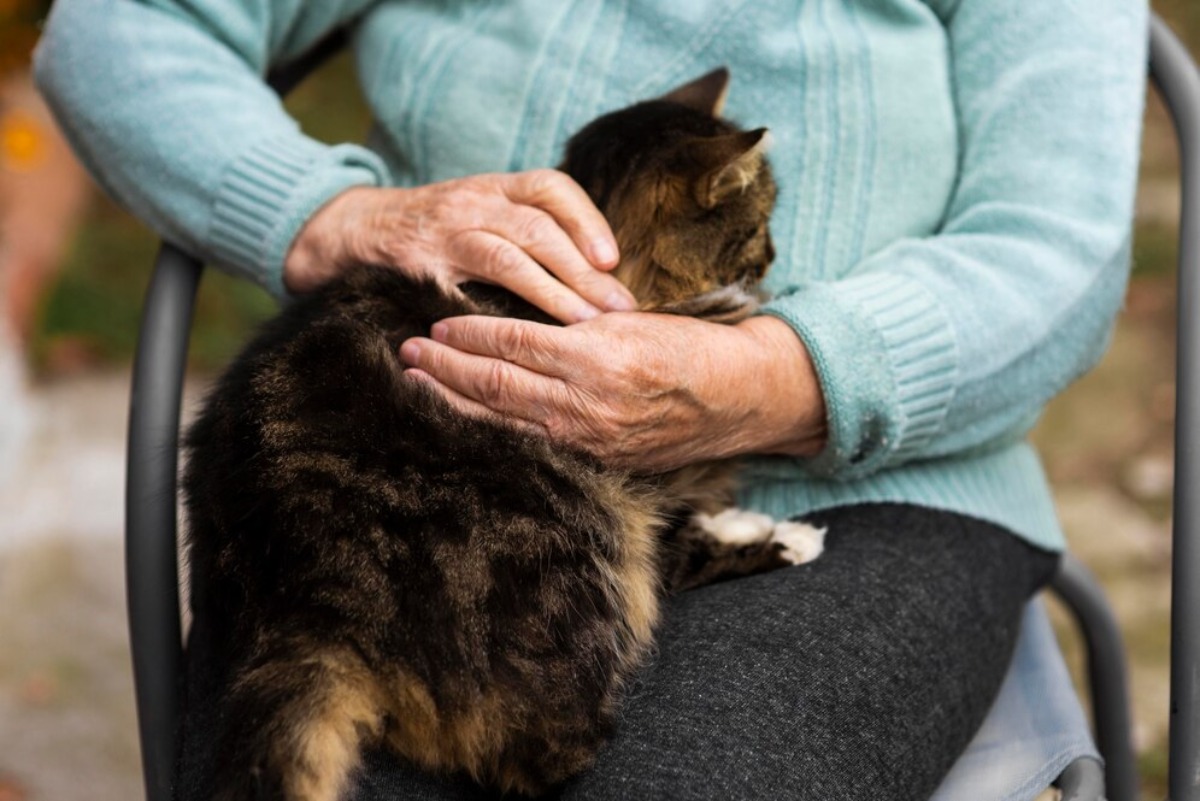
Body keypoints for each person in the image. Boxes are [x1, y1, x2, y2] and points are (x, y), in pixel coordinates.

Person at [33, 1, 1148, 798]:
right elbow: (121, 29)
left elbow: (1057, 248)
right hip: (414, 465)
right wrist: (324, 215)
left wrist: (775, 381)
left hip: (865, 488)